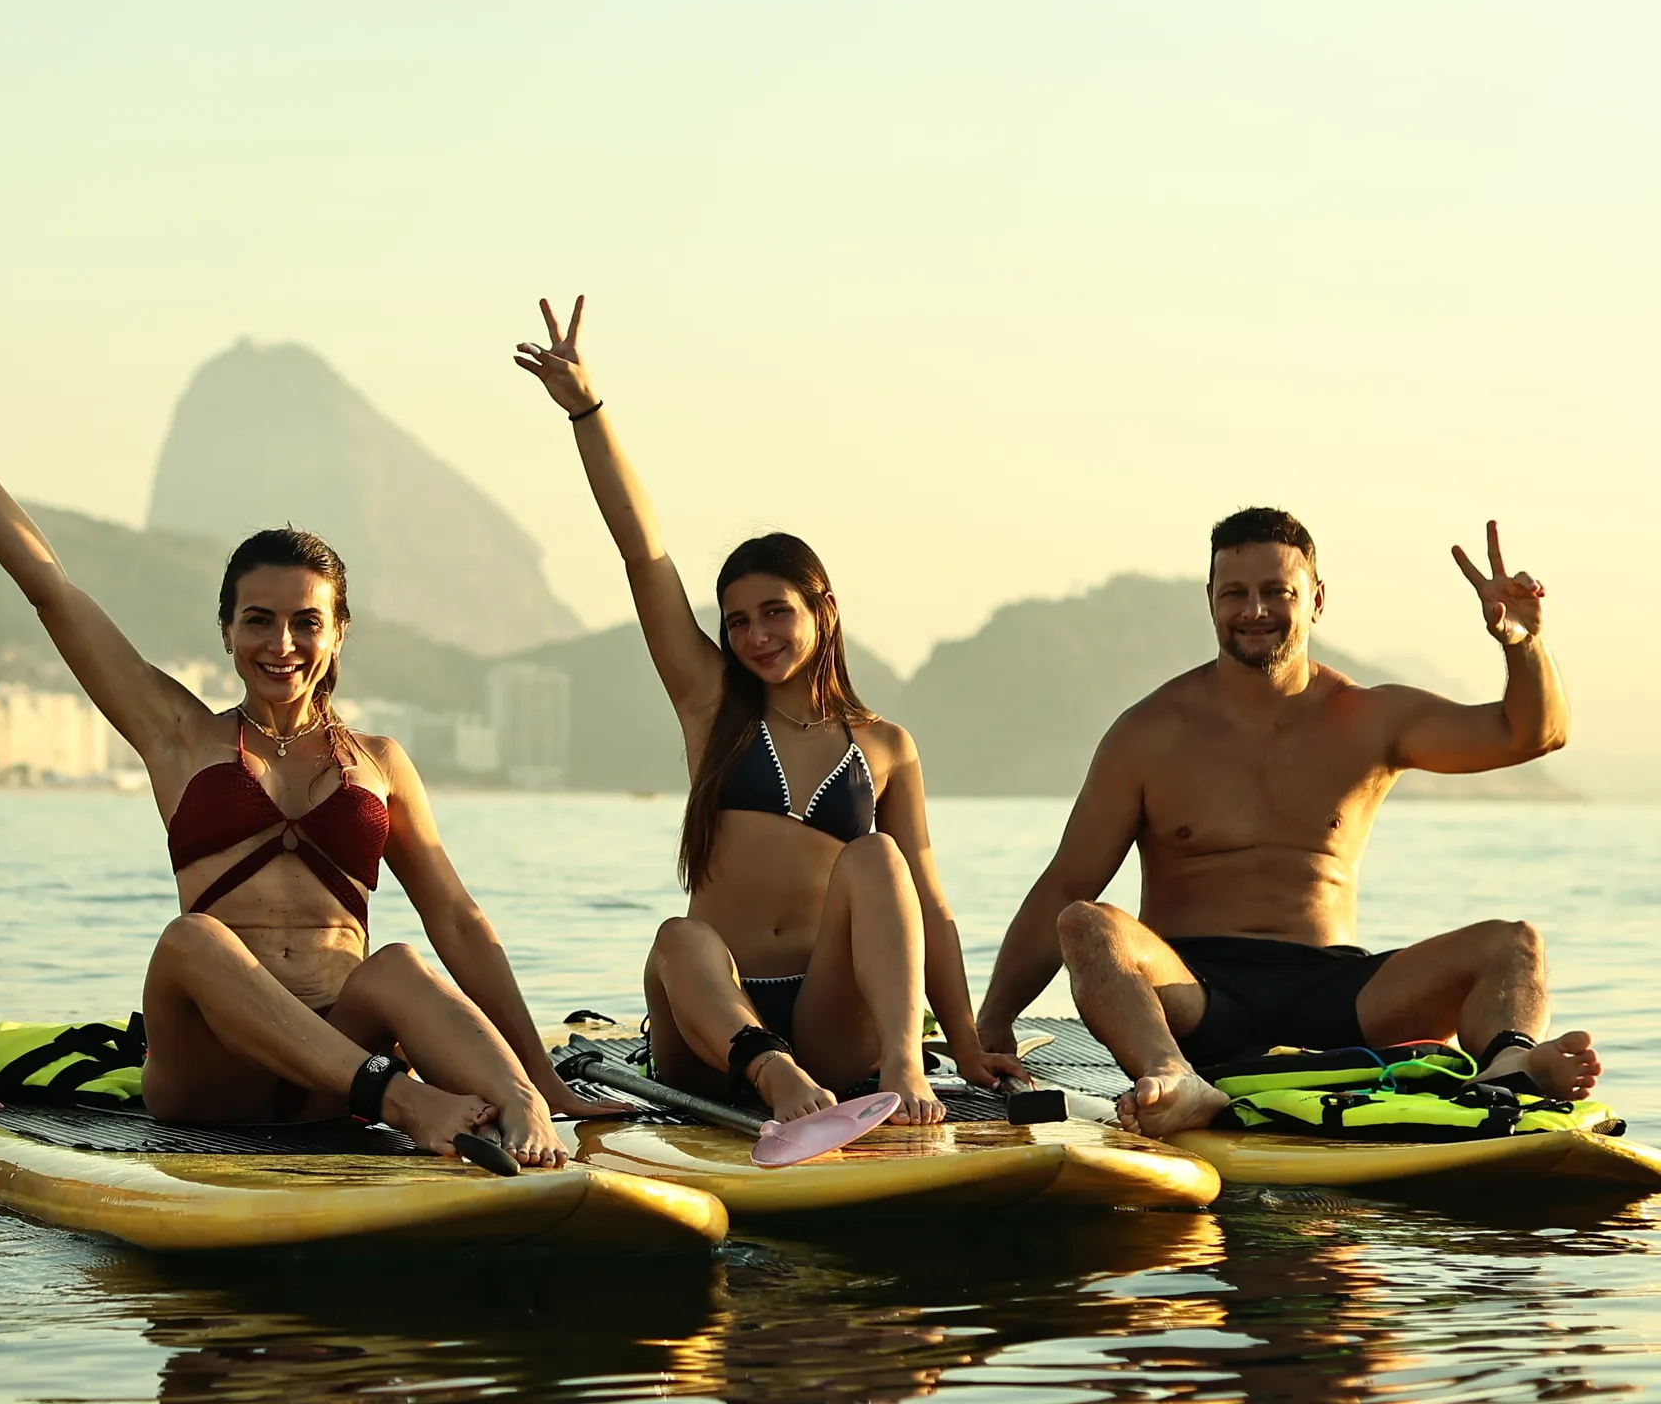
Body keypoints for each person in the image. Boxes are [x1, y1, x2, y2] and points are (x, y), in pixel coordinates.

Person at [0, 356, 621, 1166]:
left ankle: (523, 1103)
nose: (281, 644)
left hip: (333, 1063)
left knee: (399, 962)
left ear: (338, 633)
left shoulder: (380, 762)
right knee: (192, 939)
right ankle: (408, 1101)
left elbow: (459, 923)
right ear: (226, 631)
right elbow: (52, 590)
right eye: (258, 620)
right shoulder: (178, 736)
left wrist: (539, 1072)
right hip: (212, 1075)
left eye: (306, 622)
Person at [512, 297, 1028, 1125]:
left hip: (829, 1018)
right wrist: (587, 411)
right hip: (714, 1025)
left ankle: (904, 1067)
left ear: (823, 609)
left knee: (880, 859)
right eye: (738, 621)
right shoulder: (710, 702)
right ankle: (773, 1076)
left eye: (775, 613)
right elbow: (643, 552)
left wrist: (964, 1044)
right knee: (678, 938)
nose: (755, 636)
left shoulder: (886, 746)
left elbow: (927, 908)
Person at [974, 506, 1595, 1137]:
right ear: (1210, 601)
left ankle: (1511, 1064)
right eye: (1235, 594)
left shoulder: (1369, 719)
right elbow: (1066, 883)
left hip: (1338, 991)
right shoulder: (1149, 734)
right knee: (1085, 923)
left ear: (1317, 600)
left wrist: (1524, 643)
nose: (1254, 610)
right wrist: (994, 1020)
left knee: (1513, 943)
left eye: (1277, 592)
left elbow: (1531, 734)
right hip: (1195, 995)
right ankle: (1173, 1077)